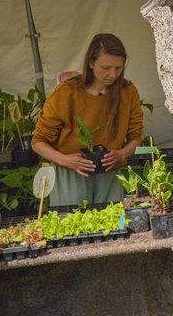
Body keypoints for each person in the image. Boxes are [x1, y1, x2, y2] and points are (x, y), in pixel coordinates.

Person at [31, 33, 143, 206]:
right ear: (91, 63)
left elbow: (136, 137)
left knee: (113, 228)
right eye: (106, 68)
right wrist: (64, 160)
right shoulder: (67, 93)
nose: (113, 74)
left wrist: (121, 154)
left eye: (118, 68)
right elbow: (38, 141)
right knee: (72, 228)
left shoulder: (128, 91)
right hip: (71, 175)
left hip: (110, 174)